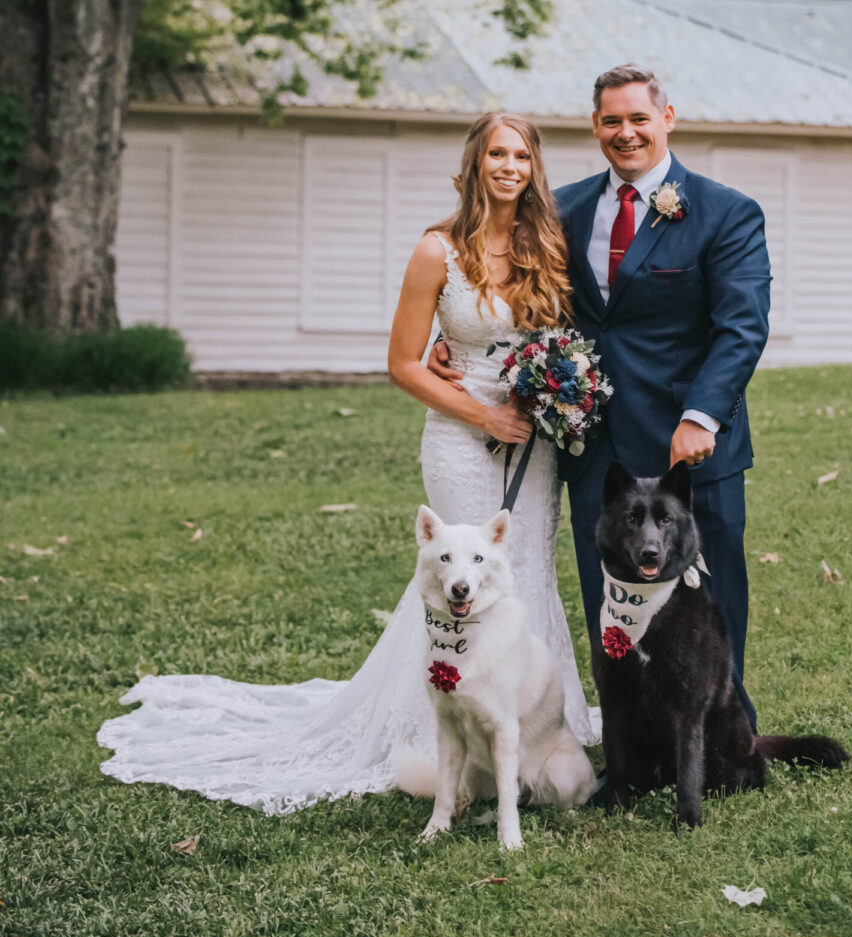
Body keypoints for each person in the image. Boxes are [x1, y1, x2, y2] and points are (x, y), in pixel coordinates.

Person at [97, 113, 597, 814]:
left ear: (533, 166)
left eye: (520, 155)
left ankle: (536, 724)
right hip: (462, 436)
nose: (509, 166)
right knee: (460, 573)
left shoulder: (546, 245)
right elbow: (400, 364)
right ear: (475, 164)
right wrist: (482, 412)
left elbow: (565, 338)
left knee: (527, 572)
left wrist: (549, 393)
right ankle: (436, 732)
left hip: (533, 444)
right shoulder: (437, 250)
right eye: (496, 154)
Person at [432, 65, 770, 727]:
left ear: (665, 119)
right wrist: (452, 339)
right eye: (611, 120)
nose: (625, 133)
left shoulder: (725, 212)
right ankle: (629, 749)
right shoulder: (563, 209)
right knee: (609, 603)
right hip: (599, 447)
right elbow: (519, 297)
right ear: (594, 126)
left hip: (687, 447)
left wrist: (702, 414)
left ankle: (726, 739)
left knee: (710, 597)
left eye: (638, 118)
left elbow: (741, 326)